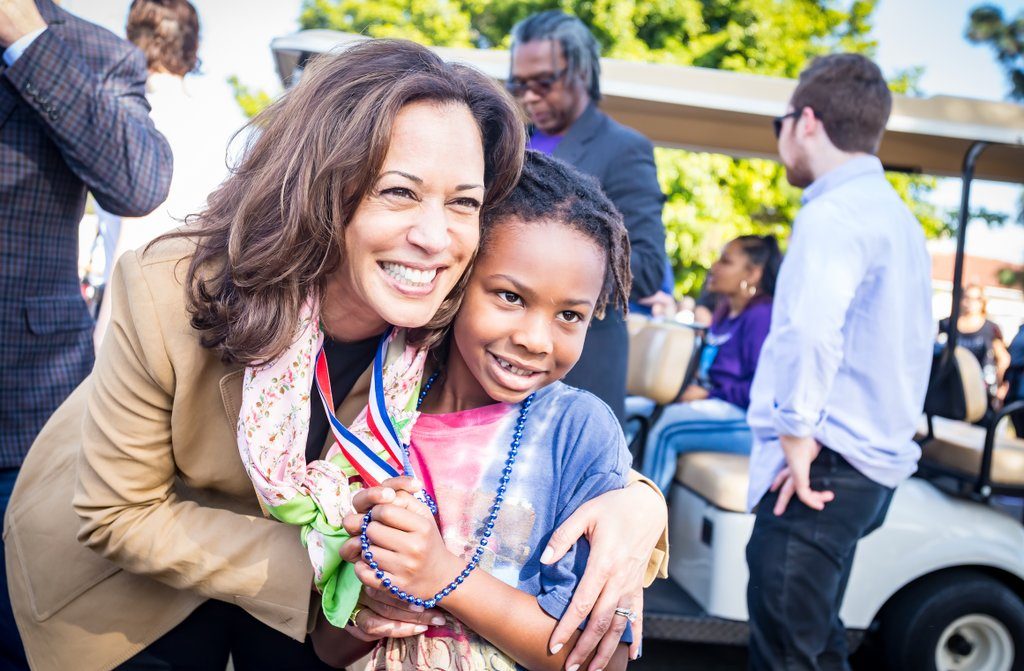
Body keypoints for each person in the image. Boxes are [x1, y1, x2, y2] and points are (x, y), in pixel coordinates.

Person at [3, 40, 667, 671]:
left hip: (318, 604)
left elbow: (529, 413)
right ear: (324, 185)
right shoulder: (169, 290)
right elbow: (118, 514)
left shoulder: (446, 307)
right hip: (126, 582)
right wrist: (339, 554)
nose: (434, 237)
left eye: (462, 203)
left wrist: (639, 506)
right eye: (399, 191)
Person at [307, 151, 634, 671]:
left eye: (570, 315)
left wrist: (443, 579)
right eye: (509, 296)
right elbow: (326, 645)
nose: (534, 339)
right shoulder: (377, 415)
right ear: (459, 277)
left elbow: (604, 660)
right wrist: (368, 607)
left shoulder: (579, 433)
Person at [744, 53, 933, 670]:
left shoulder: (834, 214)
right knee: (816, 641)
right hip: (866, 464)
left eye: (781, 122)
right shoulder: (896, 217)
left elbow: (809, 333)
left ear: (806, 120)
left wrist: (795, 437)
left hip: (824, 462)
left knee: (787, 651)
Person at [0, 0, 172, 667]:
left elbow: (138, 181)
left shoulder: (93, 54)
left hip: (21, 412)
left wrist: (26, 40)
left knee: (33, 638)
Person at [508, 10, 668, 422]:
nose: (529, 97)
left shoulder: (624, 149)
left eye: (543, 82)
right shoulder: (510, 141)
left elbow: (646, 268)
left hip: (576, 375)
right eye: (519, 85)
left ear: (582, 72)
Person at [94, 0, 239, 345]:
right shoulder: (217, 114)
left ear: (133, 37)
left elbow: (132, 235)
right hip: (197, 304)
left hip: (136, 302)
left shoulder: (133, 112)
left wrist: (104, 336)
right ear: (192, 44)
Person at [638, 235, 780, 492]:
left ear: (754, 273)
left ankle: (647, 519)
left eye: (726, 261)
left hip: (745, 420)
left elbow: (764, 389)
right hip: (713, 405)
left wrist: (708, 393)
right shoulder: (725, 311)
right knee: (632, 409)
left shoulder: (762, 316)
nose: (714, 267)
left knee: (667, 425)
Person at [938, 284, 1010, 406]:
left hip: (981, 392)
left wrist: (1000, 386)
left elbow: (1003, 359)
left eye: (976, 299)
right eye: (966, 297)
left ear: (983, 302)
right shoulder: (947, 324)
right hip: (951, 389)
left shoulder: (990, 328)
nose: (970, 303)